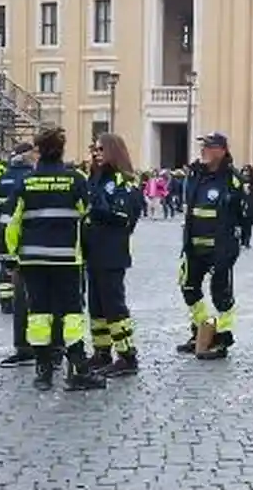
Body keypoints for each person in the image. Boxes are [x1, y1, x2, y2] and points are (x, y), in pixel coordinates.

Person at [4, 128, 105, 392]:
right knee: (71, 312)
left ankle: (43, 371)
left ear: (38, 151)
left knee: (38, 313)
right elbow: (89, 217)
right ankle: (78, 368)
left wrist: (12, 257)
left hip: (32, 259)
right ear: (61, 150)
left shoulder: (26, 182)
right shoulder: (76, 180)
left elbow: (12, 222)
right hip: (67, 258)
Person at [177, 132, 245, 360]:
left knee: (221, 295)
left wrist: (234, 242)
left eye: (209, 146)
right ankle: (201, 332)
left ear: (221, 151)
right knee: (189, 289)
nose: (203, 150)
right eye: (203, 146)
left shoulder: (232, 179)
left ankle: (222, 338)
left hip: (220, 249)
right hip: (193, 247)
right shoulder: (195, 174)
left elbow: (244, 213)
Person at [84, 133, 142, 376]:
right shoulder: (95, 178)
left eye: (101, 149)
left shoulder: (122, 180)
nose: (96, 154)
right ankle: (102, 351)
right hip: (92, 249)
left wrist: (96, 210)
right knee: (96, 306)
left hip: (112, 250)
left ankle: (127, 355)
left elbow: (124, 216)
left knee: (113, 306)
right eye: (94, 149)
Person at [0, 143, 37, 315]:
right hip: (25, 228)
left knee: (6, 265)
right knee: (26, 265)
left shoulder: (2, 177)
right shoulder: (31, 178)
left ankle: (5, 301)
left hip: (3, 226)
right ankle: (27, 300)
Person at [239, 164, 253, 249]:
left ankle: (246, 241)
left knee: (249, 224)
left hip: (250, 204)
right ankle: (243, 241)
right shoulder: (239, 180)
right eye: (244, 170)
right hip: (241, 204)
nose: (246, 172)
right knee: (242, 224)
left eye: (247, 170)